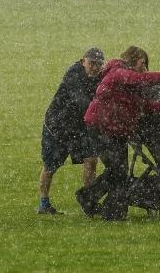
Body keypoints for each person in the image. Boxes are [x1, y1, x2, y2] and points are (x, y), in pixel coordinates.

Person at [76, 46, 160, 221]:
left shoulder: (128, 85)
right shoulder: (119, 73)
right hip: (101, 128)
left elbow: (142, 106)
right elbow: (142, 78)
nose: (143, 68)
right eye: (142, 63)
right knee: (116, 170)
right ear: (132, 60)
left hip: (117, 130)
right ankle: (91, 199)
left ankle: (112, 211)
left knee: (119, 172)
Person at [38, 47, 105, 215]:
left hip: (80, 127)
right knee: (51, 166)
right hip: (58, 128)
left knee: (91, 160)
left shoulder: (99, 77)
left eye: (99, 64)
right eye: (92, 63)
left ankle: (88, 201)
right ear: (83, 61)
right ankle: (44, 203)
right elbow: (81, 102)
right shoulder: (73, 74)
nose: (95, 67)